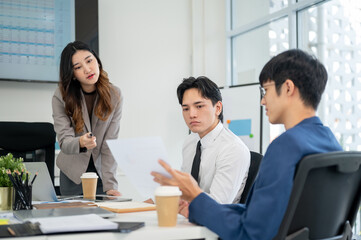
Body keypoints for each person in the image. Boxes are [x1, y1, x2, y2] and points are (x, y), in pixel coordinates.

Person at [151, 49, 343, 240]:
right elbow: (264, 215)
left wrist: (195, 194)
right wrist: (196, 208)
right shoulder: (331, 143)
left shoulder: (286, 146)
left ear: (287, 88)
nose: (262, 100)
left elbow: (252, 233)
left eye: (265, 90)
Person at [52, 41, 122, 196]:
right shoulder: (61, 96)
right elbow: (64, 142)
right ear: (73, 74)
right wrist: (81, 142)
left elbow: (110, 144)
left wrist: (111, 185)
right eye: (78, 67)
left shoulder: (114, 95)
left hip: (100, 176)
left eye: (89, 61)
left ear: (97, 60)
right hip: (73, 175)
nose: (87, 69)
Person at [176, 76, 250, 205]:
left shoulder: (233, 148)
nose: (191, 114)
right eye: (186, 109)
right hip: (187, 217)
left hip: (215, 221)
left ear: (218, 108)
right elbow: (183, 190)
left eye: (199, 106)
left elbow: (217, 204)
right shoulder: (190, 142)